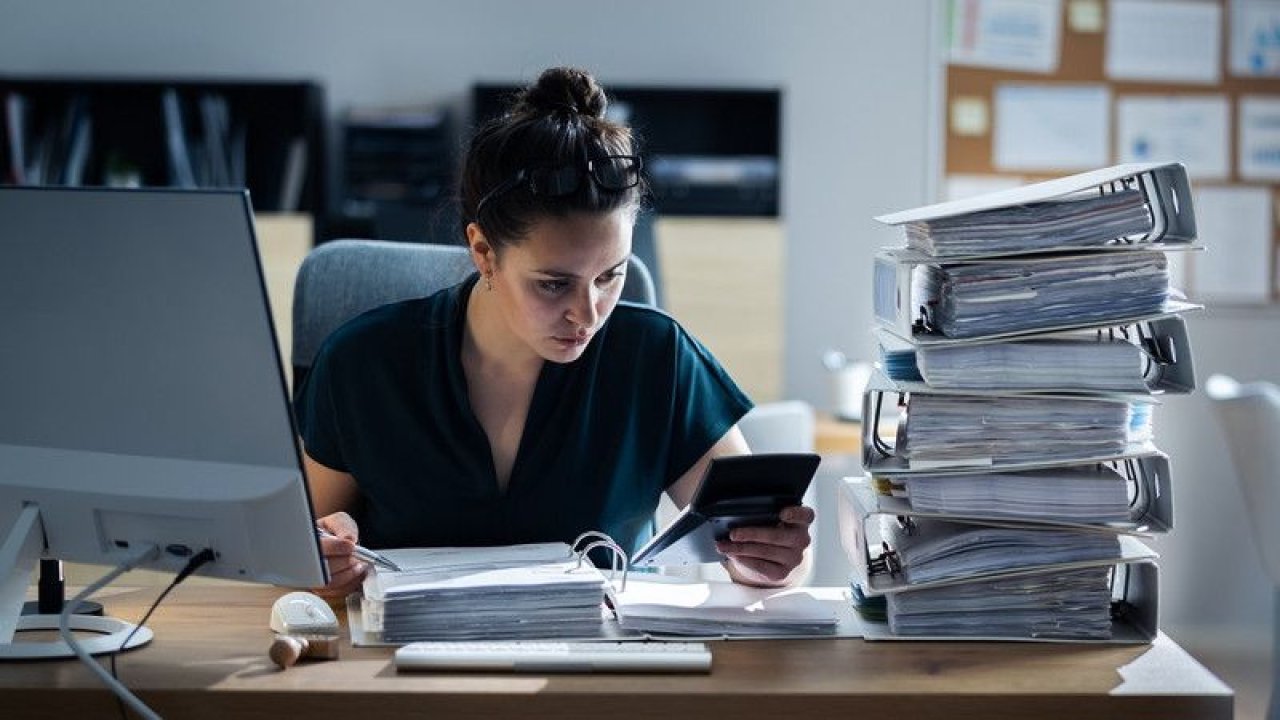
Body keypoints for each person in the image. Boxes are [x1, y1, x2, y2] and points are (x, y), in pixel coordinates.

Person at [295, 66, 814, 598]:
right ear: (483, 252)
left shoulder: (657, 357)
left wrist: (770, 561)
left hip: (598, 667)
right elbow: (303, 557)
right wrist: (325, 564)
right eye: (553, 284)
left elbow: (771, 550)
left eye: (610, 276)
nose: (587, 313)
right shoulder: (363, 362)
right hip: (411, 667)